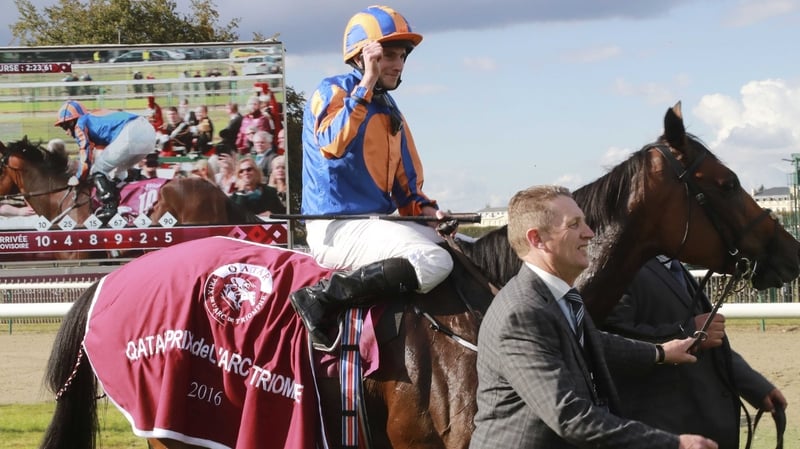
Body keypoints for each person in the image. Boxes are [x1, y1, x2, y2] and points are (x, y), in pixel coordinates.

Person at [470, 185, 718, 449]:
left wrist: (660, 352)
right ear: (537, 239)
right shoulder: (521, 313)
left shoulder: (558, 296)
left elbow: (590, 342)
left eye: (585, 222)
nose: (589, 233)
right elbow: (569, 417)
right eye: (574, 224)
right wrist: (674, 444)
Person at [289, 5, 453, 351]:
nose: (397, 64)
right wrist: (366, 82)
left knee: (460, 250)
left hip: (375, 224)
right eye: (388, 55)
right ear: (363, 57)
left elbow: (409, 191)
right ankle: (320, 300)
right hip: (334, 228)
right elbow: (332, 144)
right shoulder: (330, 91)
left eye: (402, 56)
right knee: (435, 260)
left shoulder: (392, 113)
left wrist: (431, 216)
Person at [601, 256, 787, 449]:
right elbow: (611, 340)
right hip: (664, 429)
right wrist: (690, 333)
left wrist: (757, 387)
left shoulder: (674, 267)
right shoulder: (624, 268)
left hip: (702, 430)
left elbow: (714, 347)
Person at [54, 100, 156, 223]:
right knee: (118, 174)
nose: (66, 132)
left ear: (72, 121)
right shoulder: (94, 121)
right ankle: (141, 190)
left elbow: (85, 156)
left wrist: (78, 177)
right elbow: (99, 153)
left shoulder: (80, 124)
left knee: (97, 170)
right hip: (148, 133)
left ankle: (109, 208)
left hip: (132, 132)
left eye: (65, 126)